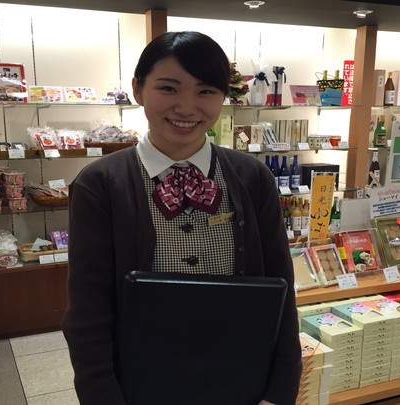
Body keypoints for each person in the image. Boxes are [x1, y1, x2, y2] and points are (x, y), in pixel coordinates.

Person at [63, 31, 301, 405]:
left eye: (206, 91)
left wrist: (280, 391)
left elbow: (282, 288)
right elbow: (87, 312)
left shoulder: (252, 178)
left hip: (240, 376)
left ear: (224, 96)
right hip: (139, 383)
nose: (187, 107)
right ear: (138, 89)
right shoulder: (100, 184)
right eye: (169, 88)